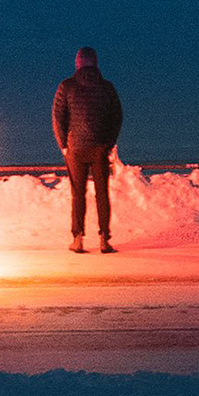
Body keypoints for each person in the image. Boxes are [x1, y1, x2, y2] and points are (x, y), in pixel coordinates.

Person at [52, 47, 123, 253]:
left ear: (77, 63)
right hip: (100, 147)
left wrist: (63, 145)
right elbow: (117, 116)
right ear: (96, 63)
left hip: (75, 148)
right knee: (102, 194)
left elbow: (58, 117)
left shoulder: (67, 86)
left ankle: (78, 239)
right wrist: (109, 142)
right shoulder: (107, 87)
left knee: (78, 194)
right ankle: (104, 240)